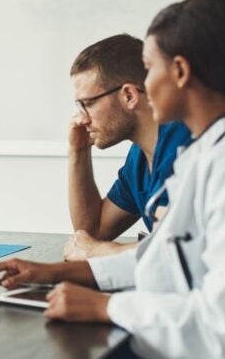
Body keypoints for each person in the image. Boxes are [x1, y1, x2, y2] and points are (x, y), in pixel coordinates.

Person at [0, 0, 225, 357]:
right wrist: (54, 272)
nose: (142, 85)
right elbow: (164, 261)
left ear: (180, 72)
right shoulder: (207, 154)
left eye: (149, 69)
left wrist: (105, 307)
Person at [63, 34, 190, 260]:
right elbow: (92, 232)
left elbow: (187, 250)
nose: (81, 119)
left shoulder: (188, 147)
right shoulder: (139, 158)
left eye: (88, 103)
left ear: (129, 95)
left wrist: (103, 251)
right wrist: (78, 151)